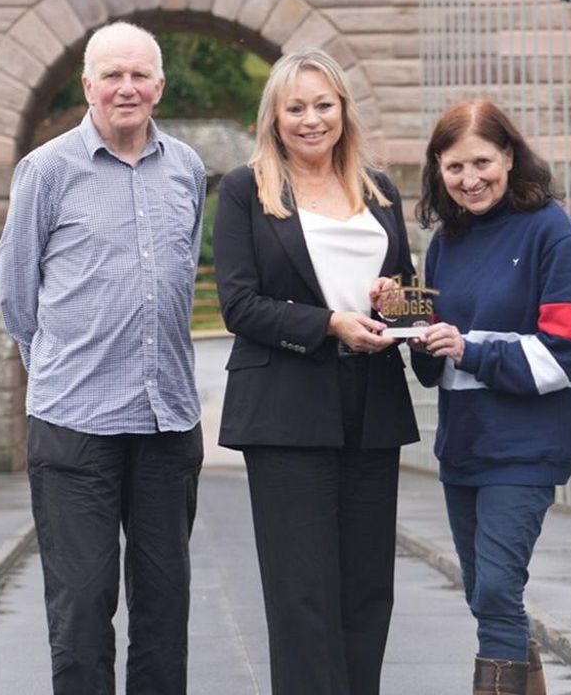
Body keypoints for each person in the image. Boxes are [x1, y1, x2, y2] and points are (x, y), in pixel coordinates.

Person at [0, 21, 207, 695]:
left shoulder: (189, 169)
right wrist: (65, 366)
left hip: (167, 422)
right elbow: (16, 298)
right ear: (88, 85)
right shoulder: (47, 171)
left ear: (159, 86)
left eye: (139, 75)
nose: (126, 88)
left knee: (164, 610)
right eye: (112, 75)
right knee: (83, 609)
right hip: (74, 424)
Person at [211, 49, 420, 695]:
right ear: (273, 117)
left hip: (371, 402)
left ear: (343, 111)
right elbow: (238, 302)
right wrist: (329, 324)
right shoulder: (247, 189)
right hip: (286, 407)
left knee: (366, 591)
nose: (310, 120)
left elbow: (410, 290)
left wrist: (397, 300)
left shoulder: (379, 188)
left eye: (323, 105)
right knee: (302, 597)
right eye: (295, 108)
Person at [408, 100, 571, 695]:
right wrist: (403, 319)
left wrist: (470, 349)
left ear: (510, 156)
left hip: (527, 443)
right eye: (454, 167)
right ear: (438, 168)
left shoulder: (552, 230)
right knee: (482, 591)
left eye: (483, 162)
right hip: (463, 443)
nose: (470, 179)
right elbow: (432, 364)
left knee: (495, 589)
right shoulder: (444, 241)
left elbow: (566, 349)